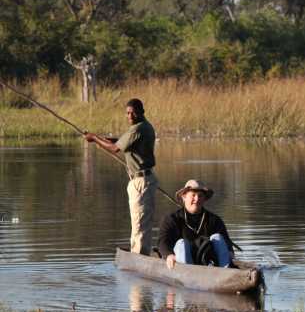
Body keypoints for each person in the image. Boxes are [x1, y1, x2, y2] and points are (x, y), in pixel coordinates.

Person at [84, 98, 158, 255]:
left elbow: (114, 149)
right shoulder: (146, 126)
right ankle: (139, 253)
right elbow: (123, 143)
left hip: (140, 182)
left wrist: (94, 138)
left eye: (133, 112)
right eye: (127, 113)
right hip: (145, 180)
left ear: (142, 111)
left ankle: (139, 258)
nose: (130, 116)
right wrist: (110, 140)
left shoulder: (137, 129)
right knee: (141, 223)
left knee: (139, 223)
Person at [157, 180, 235, 269]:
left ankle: (226, 271)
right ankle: (188, 273)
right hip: (183, 262)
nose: (197, 199)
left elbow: (226, 240)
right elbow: (163, 241)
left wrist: (229, 250)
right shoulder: (172, 219)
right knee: (181, 243)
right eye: (193, 195)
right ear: (184, 197)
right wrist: (169, 255)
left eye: (200, 196)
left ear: (204, 199)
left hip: (206, 259)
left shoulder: (214, 220)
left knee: (218, 237)